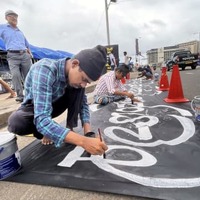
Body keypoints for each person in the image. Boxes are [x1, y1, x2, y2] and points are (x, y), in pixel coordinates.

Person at [8, 45, 108, 156]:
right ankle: (48, 129)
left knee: (78, 88)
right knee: (16, 122)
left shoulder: (76, 79)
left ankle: (67, 128)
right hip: (35, 109)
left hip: (55, 105)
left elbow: (83, 104)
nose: (84, 84)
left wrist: (88, 133)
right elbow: (41, 118)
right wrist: (83, 142)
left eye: (87, 82)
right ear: (74, 64)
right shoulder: (44, 69)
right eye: (84, 79)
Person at [0, 10, 32, 102]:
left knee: (28, 76)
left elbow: (26, 43)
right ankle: (20, 95)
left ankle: (30, 95)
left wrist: (29, 52)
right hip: (12, 56)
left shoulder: (19, 31)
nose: (14, 18)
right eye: (11, 16)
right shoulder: (2, 28)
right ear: (6, 18)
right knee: (15, 75)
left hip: (24, 55)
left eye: (15, 16)